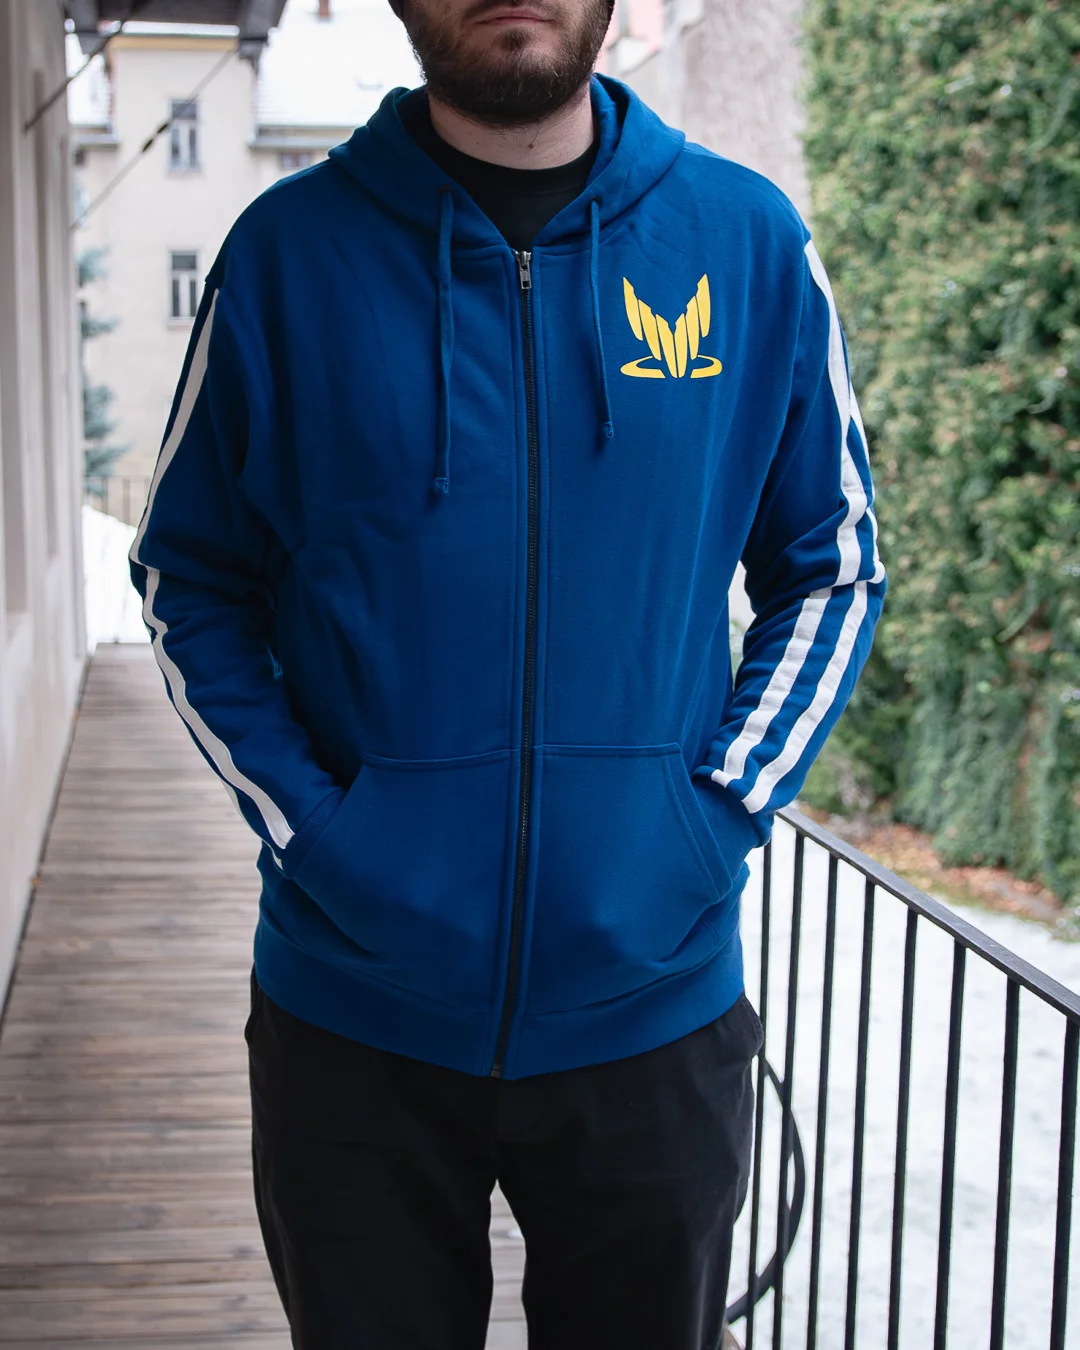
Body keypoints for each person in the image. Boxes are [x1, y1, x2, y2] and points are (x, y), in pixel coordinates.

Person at [129, 1, 886, 1345]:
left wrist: (713, 818)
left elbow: (830, 565)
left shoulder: (748, 243)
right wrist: (324, 833)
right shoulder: (287, 257)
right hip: (354, 1018)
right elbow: (191, 575)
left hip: (652, 1008)